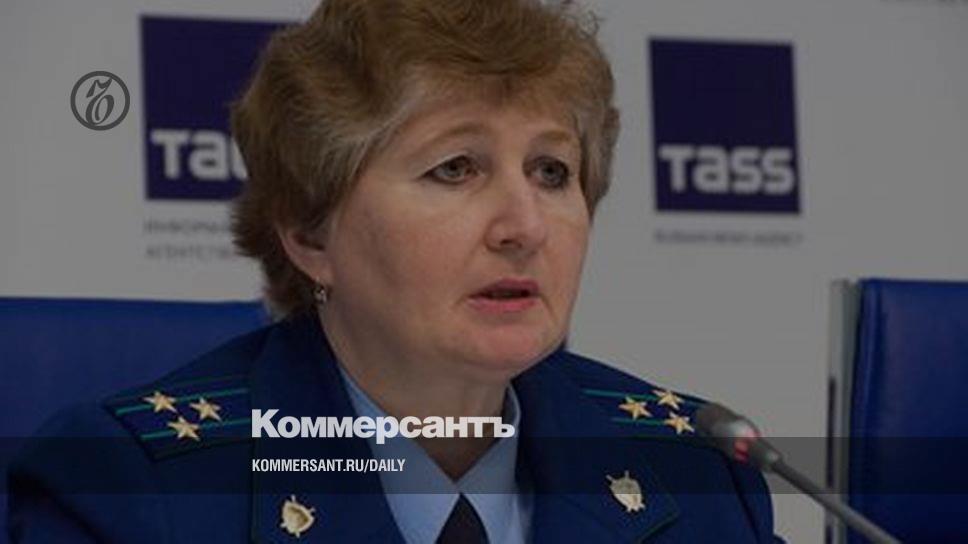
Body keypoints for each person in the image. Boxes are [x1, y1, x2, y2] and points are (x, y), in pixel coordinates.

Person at [8, 0, 784, 542]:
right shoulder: (131, 495)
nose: (524, 226)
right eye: (455, 168)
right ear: (310, 231)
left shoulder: (697, 472)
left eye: (551, 171)